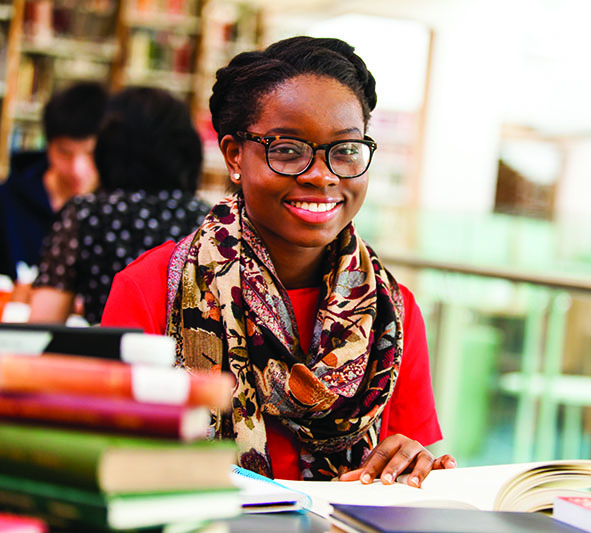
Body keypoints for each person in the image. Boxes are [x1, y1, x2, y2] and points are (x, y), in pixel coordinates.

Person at [101, 36, 455, 485]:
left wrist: (410, 462)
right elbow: (111, 465)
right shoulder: (150, 289)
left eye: (345, 150)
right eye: (288, 150)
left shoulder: (392, 311)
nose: (322, 174)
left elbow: (406, 463)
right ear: (234, 156)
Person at [27, 87, 210, 325]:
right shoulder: (206, 219)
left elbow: (43, 323)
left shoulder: (86, 215)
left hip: (112, 356)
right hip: (188, 360)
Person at [0, 81, 108, 280]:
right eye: (65, 153)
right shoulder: (8, 200)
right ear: (47, 146)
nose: (77, 170)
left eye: (91, 154)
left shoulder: (117, 210)